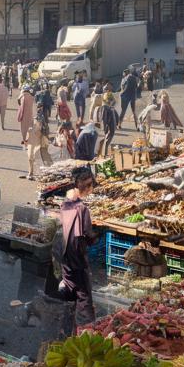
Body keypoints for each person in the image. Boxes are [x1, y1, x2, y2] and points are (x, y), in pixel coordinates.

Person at [58, 166, 97, 325]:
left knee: (70, 287)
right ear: (87, 187)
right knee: (83, 293)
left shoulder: (65, 204)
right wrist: (96, 236)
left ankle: (66, 323)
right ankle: (86, 327)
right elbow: (88, 234)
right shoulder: (82, 209)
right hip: (77, 255)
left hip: (65, 253)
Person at [95, 93, 119, 157]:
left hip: (112, 127)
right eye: (111, 100)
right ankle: (104, 154)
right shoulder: (105, 107)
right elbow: (104, 118)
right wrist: (105, 128)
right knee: (106, 141)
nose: (112, 102)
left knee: (107, 141)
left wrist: (117, 123)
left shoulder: (111, 107)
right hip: (109, 127)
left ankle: (104, 153)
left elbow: (116, 115)